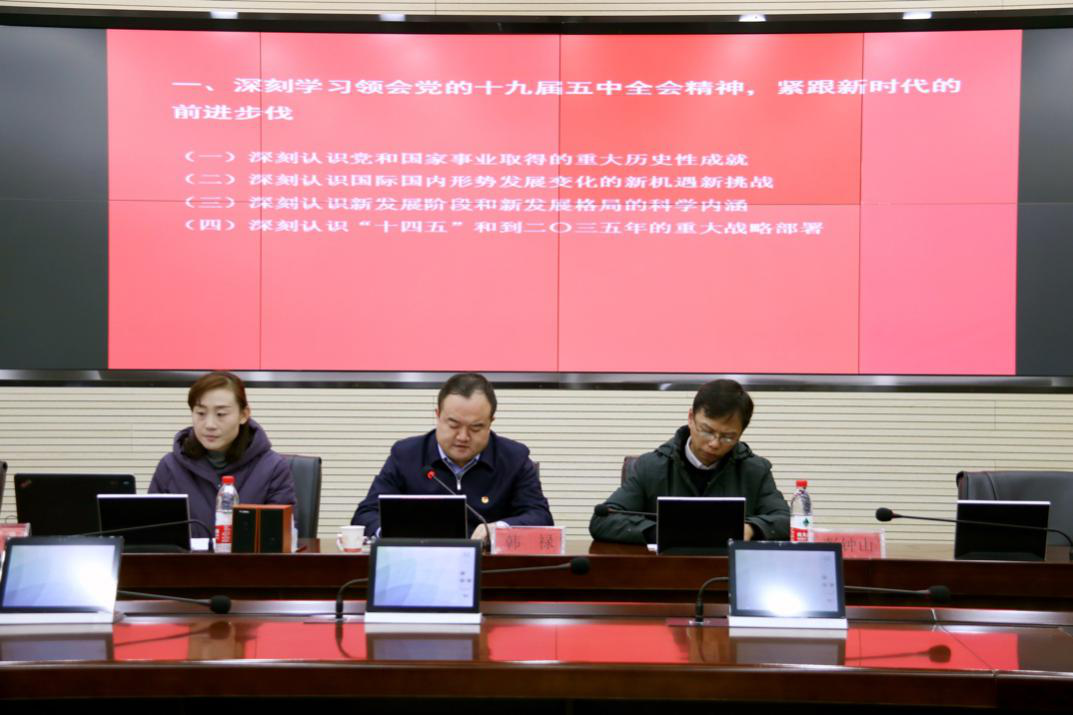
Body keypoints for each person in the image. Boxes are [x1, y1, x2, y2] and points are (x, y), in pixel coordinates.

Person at [352, 372, 553, 540]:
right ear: (438, 415)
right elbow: (365, 515)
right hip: (420, 562)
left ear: (490, 422)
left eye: (476, 427)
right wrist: (395, 533)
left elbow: (541, 517)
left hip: (490, 568)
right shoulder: (406, 455)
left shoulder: (514, 458)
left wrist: (498, 529)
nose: (463, 437)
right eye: (453, 425)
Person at [590, 378, 789, 543]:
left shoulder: (755, 470)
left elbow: (787, 521)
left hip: (728, 571)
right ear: (691, 418)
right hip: (665, 572)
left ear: (741, 433)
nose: (714, 443)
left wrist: (751, 529)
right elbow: (603, 520)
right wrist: (659, 532)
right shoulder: (651, 467)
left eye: (728, 437)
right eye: (707, 431)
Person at [150, 371, 296, 535]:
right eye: (200, 413)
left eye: (221, 414)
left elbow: (280, 537)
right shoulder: (170, 467)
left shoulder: (272, 468)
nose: (209, 425)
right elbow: (151, 536)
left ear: (243, 415)